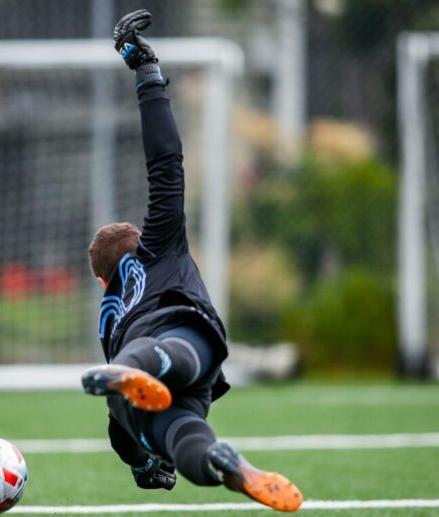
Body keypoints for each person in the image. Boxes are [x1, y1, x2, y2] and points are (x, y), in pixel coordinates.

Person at [81, 10, 303, 512]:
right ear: (140, 244)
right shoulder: (160, 246)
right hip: (190, 340)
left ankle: (207, 455)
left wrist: (143, 468)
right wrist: (147, 72)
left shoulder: (108, 317)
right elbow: (166, 165)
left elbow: (118, 436)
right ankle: (211, 445)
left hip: (136, 382)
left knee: (181, 441)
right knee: (172, 358)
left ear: (101, 281)